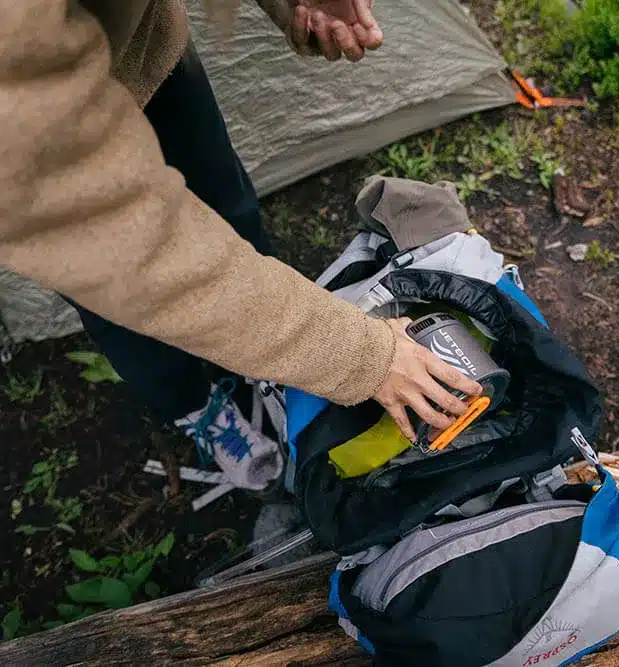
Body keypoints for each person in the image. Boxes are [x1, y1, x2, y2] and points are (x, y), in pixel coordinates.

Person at [0, 1, 481, 490]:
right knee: (116, 300)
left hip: (145, 49)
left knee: (227, 207)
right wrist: (360, 358)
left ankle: (260, 349)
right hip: (37, 145)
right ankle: (193, 404)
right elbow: (131, 255)